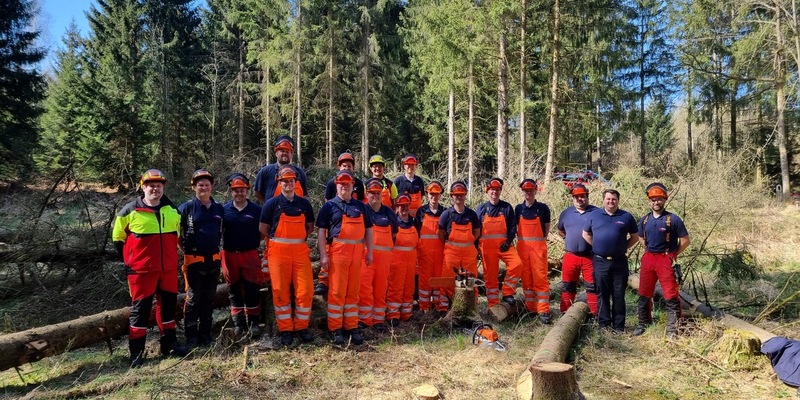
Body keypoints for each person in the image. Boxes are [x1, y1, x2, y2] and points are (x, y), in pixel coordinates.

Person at [112, 169, 188, 368]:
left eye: (159, 185)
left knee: (169, 308)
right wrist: (130, 262)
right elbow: (118, 239)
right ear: (143, 187)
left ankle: (169, 344)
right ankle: (137, 352)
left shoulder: (173, 211)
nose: (155, 188)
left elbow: (178, 238)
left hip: (168, 270)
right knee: (141, 311)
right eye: (151, 185)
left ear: (163, 188)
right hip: (141, 272)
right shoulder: (129, 211)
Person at [260, 166, 316, 346]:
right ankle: (285, 329)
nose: (288, 183)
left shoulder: (304, 204)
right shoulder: (271, 204)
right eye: (285, 181)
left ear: (295, 182)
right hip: (278, 252)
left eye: (291, 180)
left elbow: (310, 226)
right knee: (280, 291)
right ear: (279, 182)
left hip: (300, 251)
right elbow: (263, 229)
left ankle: (301, 327)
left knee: (305, 290)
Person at [316, 170, 374, 346]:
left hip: (357, 251)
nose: (344, 186)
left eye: (348, 183)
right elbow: (320, 232)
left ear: (352, 186)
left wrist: (369, 252)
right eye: (341, 183)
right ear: (336, 185)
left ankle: (351, 326)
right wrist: (323, 255)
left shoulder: (361, 206)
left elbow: (369, 230)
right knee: (337, 291)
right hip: (338, 251)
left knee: (353, 291)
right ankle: (335, 328)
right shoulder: (329, 206)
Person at [633, 182, 691, 338]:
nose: (655, 202)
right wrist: (648, 248)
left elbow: (685, 240)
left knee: (671, 294)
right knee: (644, 292)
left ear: (664, 199)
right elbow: (640, 237)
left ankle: (673, 329)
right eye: (653, 199)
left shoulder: (673, 219)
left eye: (659, 199)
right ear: (649, 201)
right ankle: (643, 323)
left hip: (666, 259)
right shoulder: (645, 219)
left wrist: (673, 254)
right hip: (648, 259)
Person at [582, 189, 639, 333]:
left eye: (613, 199)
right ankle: (604, 325)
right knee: (602, 293)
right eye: (608, 199)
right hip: (600, 261)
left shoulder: (626, 216)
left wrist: (622, 247)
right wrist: (596, 246)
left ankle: (619, 326)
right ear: (603, 200)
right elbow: (585, 234)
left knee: (619, 294)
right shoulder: (594, 215)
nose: (611, 202)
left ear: (618, 200)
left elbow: (635, 236)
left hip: (619, 262)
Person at [179, 169, 225, 347]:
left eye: (206, 184)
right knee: (193, 299)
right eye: (200, 185)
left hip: (213, 260)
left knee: (208, 298)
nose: (204, 187)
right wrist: (185, 249)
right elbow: (177, 234)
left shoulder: (218, 208)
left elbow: (224, 230)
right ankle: (191, 337)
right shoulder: (186, 208)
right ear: (194, 187)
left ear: (212, 186)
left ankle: (205, 335)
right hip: (193, 261)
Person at [317, 152, 366, 296]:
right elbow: (327, 201)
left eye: (349, 166)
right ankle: (323, 280)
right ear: (339, 166)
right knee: (328, 249)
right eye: (344, 165)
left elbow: (362, 201)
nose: (347, 168)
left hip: (353, 216)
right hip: (335, 220)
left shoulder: (358, 183)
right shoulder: (332, 182)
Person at [221, 173, 264, 339]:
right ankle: (239, 324)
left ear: (247, 191)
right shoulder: (224, 210)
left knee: (252, 288)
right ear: (231, 191)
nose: (239, 194)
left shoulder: (256, 210)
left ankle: (253, 323)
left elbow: (262, 232)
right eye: (236, 191)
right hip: (229, 254)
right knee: (234, 289)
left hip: (250, 253)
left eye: (242, 190)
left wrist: (252, 242)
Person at [476, 178, 524, 309]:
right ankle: (493, 305)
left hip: (503, 245)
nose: (494, 192)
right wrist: (476, 248)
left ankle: (507, 292)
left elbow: (512, 227)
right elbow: (475, 230)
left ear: (500, 191)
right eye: (492, 190)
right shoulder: (481, 209)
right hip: (486, 247)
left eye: (497, 190)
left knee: (517, 264)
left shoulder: (506, 207)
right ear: (487, 191)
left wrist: (508, 242)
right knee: (490, 276)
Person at [358, 178, 398, 331]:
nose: (375, 196)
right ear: (367, 194)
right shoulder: (362, 210)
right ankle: (364, 319)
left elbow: (394, 233)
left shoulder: (389, 212)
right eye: (372, 193)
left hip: (385, 258)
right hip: (367, 255)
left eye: (377, 193)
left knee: (381, 288)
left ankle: (378, 320)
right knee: (365, 287)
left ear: (382, 194)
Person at [514, 178, 553, 323]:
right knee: (526, 279)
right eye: (526, 190)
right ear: (522, 191)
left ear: (535, 190)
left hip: (538, 249)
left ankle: (543, 310)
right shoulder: (518, 209)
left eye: (530, 190)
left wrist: (539, 242)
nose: (528, 193)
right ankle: (530, 307)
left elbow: (546, 229)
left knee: (540, 278)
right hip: (523, 249)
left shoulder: (543, 208)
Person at [557, 183, 598, 317]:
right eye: (576, 197)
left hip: (590, 256)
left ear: (587, 196)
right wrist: (569, 240)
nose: (579, 199)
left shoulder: (597, 212)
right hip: (571, 255)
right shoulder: (566, 213)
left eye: (582, 196)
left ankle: (594, 313)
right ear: (572, 198)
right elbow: (560, 230)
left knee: (592, 286)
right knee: (568, 285)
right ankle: (565, 312)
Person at [438, 181, 481, 307]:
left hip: (468, 252)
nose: (459, 197)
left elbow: (477, 232)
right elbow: (440, 234)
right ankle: (446, 305)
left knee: (471, 279)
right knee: (447, 278)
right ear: (452, 195)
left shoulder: (471, 214)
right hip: (452, 252)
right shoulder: (446, 214)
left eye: (461, 194)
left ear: (465, 195)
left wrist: (468, 242)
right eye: (456, 195)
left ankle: (472, 305)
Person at [387, 194, 420, 325]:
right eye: (401, 206)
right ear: (397, 207)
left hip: (411, 259)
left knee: (409, 287)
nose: (404, 208)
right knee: (395, 287)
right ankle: (393, 314)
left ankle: (407, 313)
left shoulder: (414, 221)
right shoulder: (393, 221)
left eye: (406, 205)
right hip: (397, 259)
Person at [416, 181, 447, 313]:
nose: (434, 197)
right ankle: (424, 308)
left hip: (441, 252)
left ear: (440, 195)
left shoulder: (445, 212)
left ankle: (438, 306)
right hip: (424, 253)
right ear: (427, 194)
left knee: (439, 279)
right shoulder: (421, 211)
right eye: (431, 194)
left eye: (436, 194)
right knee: (425, 280)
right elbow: (415, 232)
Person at [253, 135, 308, 203]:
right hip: (273, 212)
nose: (285, 153)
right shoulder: (265, 171)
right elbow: (257, 192)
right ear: (276, 153)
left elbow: (304, 195)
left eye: (287, 151)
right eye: (282, 151)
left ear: (291, 154)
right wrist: (268, 205)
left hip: (296, 212)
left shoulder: (299, 173)